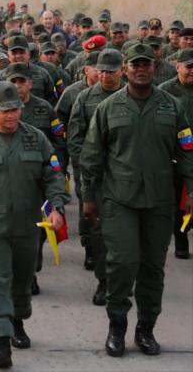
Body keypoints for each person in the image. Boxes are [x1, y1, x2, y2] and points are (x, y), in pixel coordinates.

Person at [79, 42, 193, 358]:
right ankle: (117, 327)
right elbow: (91, 156)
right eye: (135, 64)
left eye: (147, 64)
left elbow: (186, 152)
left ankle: (146, 329)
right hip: (119, 200)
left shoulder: (172, 107)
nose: (141, 69)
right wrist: (89, 197)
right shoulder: (108, 108)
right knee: (123, 262)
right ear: (126, 69)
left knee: (153, 268)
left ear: (154, 69)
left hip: (159, 201)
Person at [0, 81, 69, 369]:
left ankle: (17, 320)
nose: (11, 115)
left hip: (28, 224)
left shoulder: (37, 139)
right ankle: (0, 342)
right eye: (4, 110)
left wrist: (57, 207)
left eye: (15, 109)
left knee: (22, 281)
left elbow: (53, 176)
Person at [66, 49, 124, 307]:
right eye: (101, 71)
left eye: (111, 71)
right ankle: (104, 281)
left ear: (121, 71)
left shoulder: (132, 96)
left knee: (126, 235)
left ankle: (123, 281)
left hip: (127, 176)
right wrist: (85, 168)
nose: (105, 75)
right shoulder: (85, 98)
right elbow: (75, 137)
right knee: (100, 231)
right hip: (97, 177)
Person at [158, 47, 193, 259]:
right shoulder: (165, 91)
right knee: (177, 202)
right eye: (189, 67)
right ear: (177, 67)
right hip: (175, 154)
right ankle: (181, 239)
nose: (192, 71)